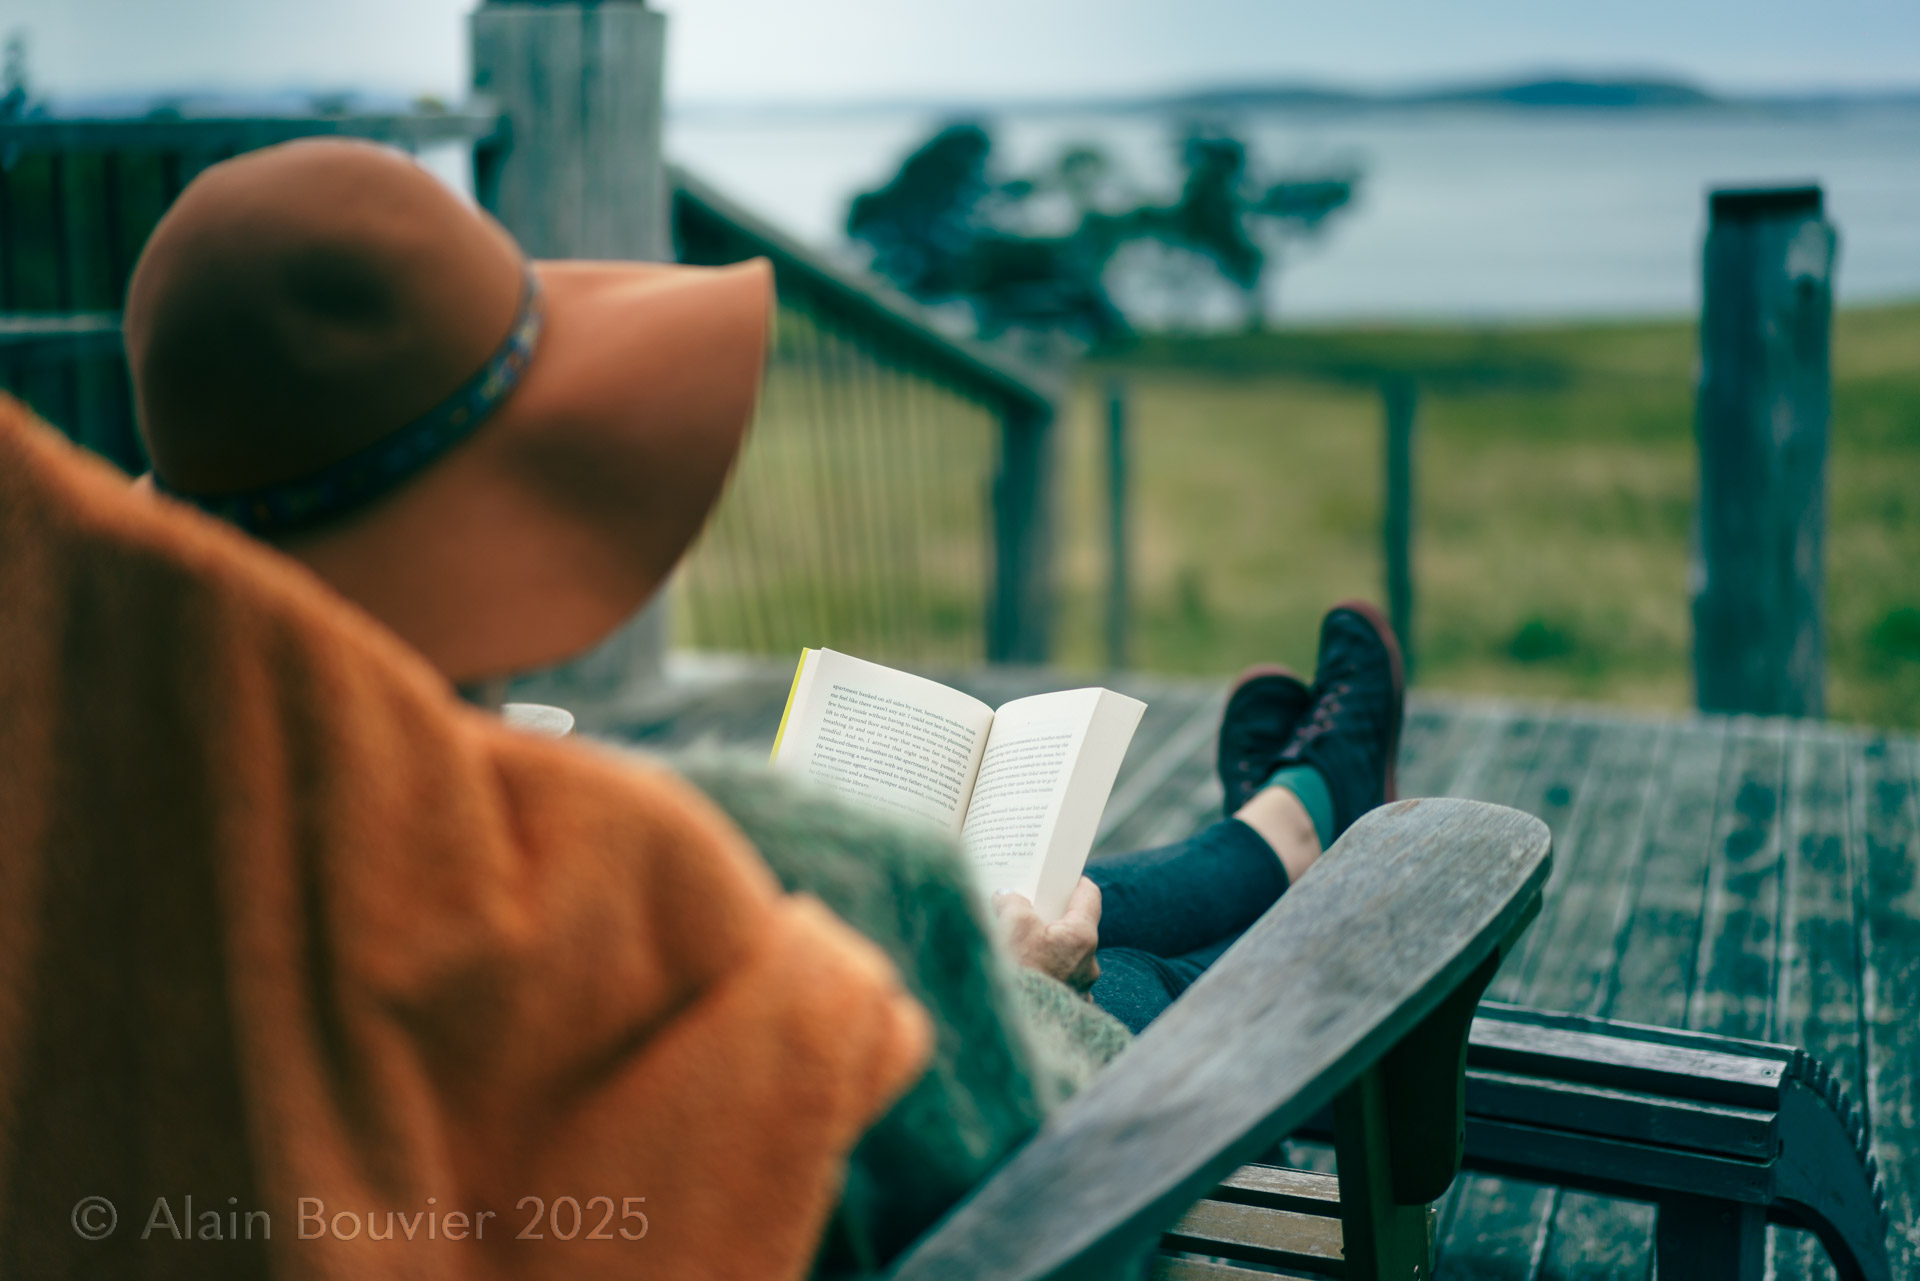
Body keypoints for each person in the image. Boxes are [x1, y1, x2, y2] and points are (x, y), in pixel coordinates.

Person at [107, 138, 1403, 1269]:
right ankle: (1302, 828)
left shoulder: (137, 888)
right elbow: (1064, 1168)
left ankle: (1280, 832)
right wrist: (1011, 993)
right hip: (962, 1166)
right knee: (1105, 962)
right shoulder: (622, 887)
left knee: (1064, 916)